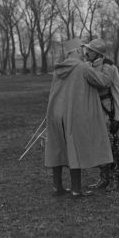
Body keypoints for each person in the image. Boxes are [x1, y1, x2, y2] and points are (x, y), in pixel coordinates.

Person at [44, 37, 113, 197]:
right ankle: (76, 189)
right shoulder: (82, 68)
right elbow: (104, 81)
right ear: (76, 51)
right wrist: (107, 66)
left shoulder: (58, 69)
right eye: (82, 49)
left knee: (57, 148)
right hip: (71, 114)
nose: (84, 52)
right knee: (74, 147)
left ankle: (57, 187)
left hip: (55, 113)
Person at [84, 38, 119, 193]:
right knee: (98, 146)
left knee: (111, 147)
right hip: (93, 113)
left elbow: (113, 89)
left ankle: (114, 179)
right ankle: (104, 178)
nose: (86, 52)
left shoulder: (109, 67)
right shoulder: (88, 65)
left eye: (90, 50)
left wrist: (117, 118)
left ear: (97, 53)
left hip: (108, 113)